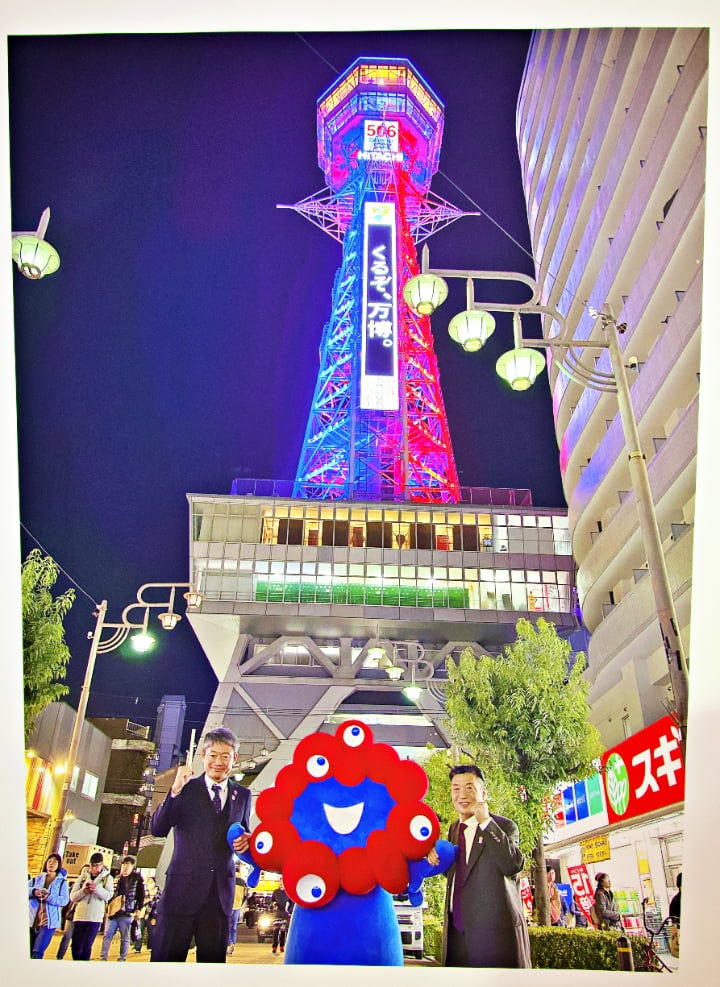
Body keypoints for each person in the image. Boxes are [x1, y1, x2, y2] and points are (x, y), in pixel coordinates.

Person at [149, 725, 251, 962]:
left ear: (235, 758)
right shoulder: (185, 789)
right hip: (181, 892)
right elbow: (158, 829)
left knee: (211, 969)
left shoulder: (242, 795)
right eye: (213, 755)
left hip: (219, 897)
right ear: (203, 755)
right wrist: (174, 791)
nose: (218, 762)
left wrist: (248, 841)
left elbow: (244, 835)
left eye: (225, 756)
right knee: (166, 964)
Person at [435, 764, 531, 968]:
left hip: (494, 938)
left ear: (483, 793)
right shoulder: (454, 829)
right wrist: (436, 857)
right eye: (456, 788)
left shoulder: (503, 826)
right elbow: (458, 875)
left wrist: (486, 822)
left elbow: (512, 865)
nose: (462, 795)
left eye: (469, 787)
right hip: (457, 936)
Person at [100, 854, 145, 961]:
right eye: (124, 865)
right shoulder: (117, 878)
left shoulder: (137, 879)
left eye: (128, 865)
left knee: (125, 937)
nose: (125, 867)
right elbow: (111, 894)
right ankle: (103, 956)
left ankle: (122, 957)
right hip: (114, 912)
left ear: (132, 866)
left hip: (128, 911)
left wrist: (138, 909)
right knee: (107, 934)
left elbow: (141, 895)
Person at [70, 851, 114, 959]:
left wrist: (96, 889)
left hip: (95, 918)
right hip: (80, 916)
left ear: (102, 865)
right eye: (92, 865)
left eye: (97, 865)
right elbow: (72, 897)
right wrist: (83, 891)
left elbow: (108, 896)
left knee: (86, 946)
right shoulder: (83, 877)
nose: (94, 868)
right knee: (75, 946)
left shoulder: (107, 878)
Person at [28, 852, 70, 958]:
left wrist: (49, 897)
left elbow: (64, 900)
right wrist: (34, 892)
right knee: (27, 951)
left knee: (37, 951)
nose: (51, 864)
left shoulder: (62, 882)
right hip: (32, 919)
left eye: (55, 862)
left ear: (59, 865)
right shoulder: (36, 879)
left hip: (49, 922)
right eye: (49, 861)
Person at [133, 876, 159, 953]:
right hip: (143, 914)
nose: (149, 883)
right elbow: (140, 901)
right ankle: (137, 947)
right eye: (148, 882)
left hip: (152, 914)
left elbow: (158, 903)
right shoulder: (144, 891)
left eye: (151, 882)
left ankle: (151, 947)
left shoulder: (158, 892)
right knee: (140, 930)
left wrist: (155, 916)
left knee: (152, 932)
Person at [270, 878, 293, 954]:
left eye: (282, 882)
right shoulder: (275, 892)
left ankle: (282, 946)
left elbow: (292, 903)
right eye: (280, 882)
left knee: (283, 931)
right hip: (277, 914)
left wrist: (289, 910)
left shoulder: (288, 892)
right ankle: (274, 947)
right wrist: (273, 904)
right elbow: (272, 901)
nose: (281, 884)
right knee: (275, 931)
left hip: (284, 914)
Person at [227, 874, 246, 955]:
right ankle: (230, 943)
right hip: (235, 907)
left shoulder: (232, 880)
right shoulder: (242, 882)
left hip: (232, 906)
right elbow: (245, 896)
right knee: (232, 927)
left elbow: (245, 895)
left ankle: (230, 944)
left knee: (230, 926)